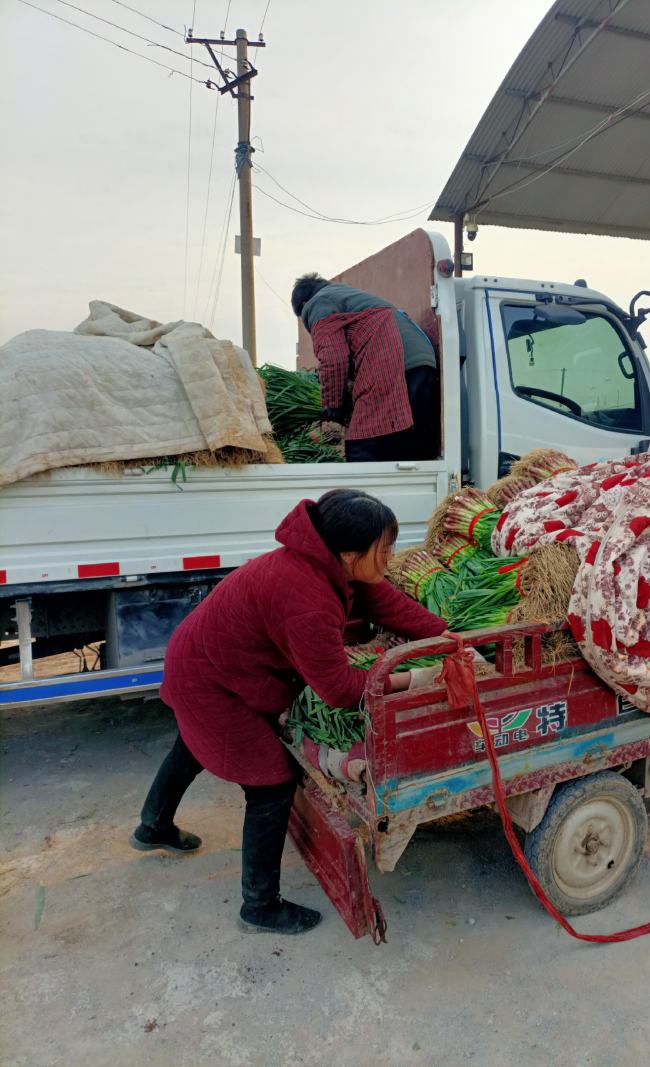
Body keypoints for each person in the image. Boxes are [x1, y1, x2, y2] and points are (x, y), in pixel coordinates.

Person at [130, 490, 449, 935]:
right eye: (385, 549)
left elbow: (382, 600)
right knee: (271, 782)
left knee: (192, 742)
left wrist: (447, 636)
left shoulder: (324, 562)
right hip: (210, 679)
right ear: (349, 553)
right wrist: (415, 679)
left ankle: (153, 826)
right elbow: (339, 689)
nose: (391, 557)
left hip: (206, 658)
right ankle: (259, 906)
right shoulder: (308, 598)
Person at [291, 274, 439, 463]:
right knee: (405, 448)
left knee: (362, 446)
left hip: (392, 361)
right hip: (421, 362)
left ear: (303, 304)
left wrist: (332, 407)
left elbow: (333, 358)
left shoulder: (318, 303)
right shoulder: (349, 296)